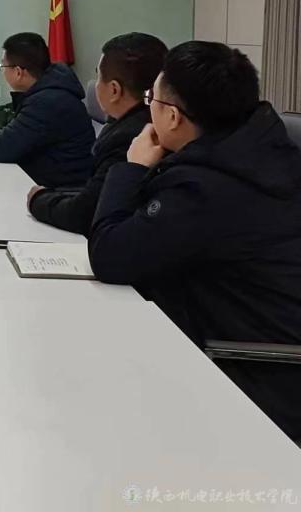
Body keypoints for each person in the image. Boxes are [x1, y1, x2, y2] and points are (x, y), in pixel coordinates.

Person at [90, 41, 301, 440]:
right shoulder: (261, 153)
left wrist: (132, 167)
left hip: (256, 378)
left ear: (172, 117)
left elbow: (110, 255)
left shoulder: (205, 188)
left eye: (151, 99)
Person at [27, 33, 167, 235]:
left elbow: (83, 214)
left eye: (98, 75)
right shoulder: (155, 122)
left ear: (114, 90)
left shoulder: (134, 139)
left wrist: (38, 199)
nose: (95, 84)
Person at [0, 32, 95, 188]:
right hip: (47, 180)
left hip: (60, 190)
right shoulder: (49, 92)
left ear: (18, 72)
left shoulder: (47, 102)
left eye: (3, 67)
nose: (3, 72)